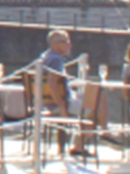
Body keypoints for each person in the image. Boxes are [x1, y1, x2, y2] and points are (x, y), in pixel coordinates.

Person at [40, 29, 108, 157]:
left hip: (49, 102)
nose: (70, 45)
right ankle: (87, 142)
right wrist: (62, 107)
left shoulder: (45, 57)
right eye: (66, 42)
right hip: (59, 103)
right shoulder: (56, 61)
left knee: (98, 96)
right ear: (57, 44)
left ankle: (94, 136)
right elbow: (52, 84)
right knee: (97, 106)